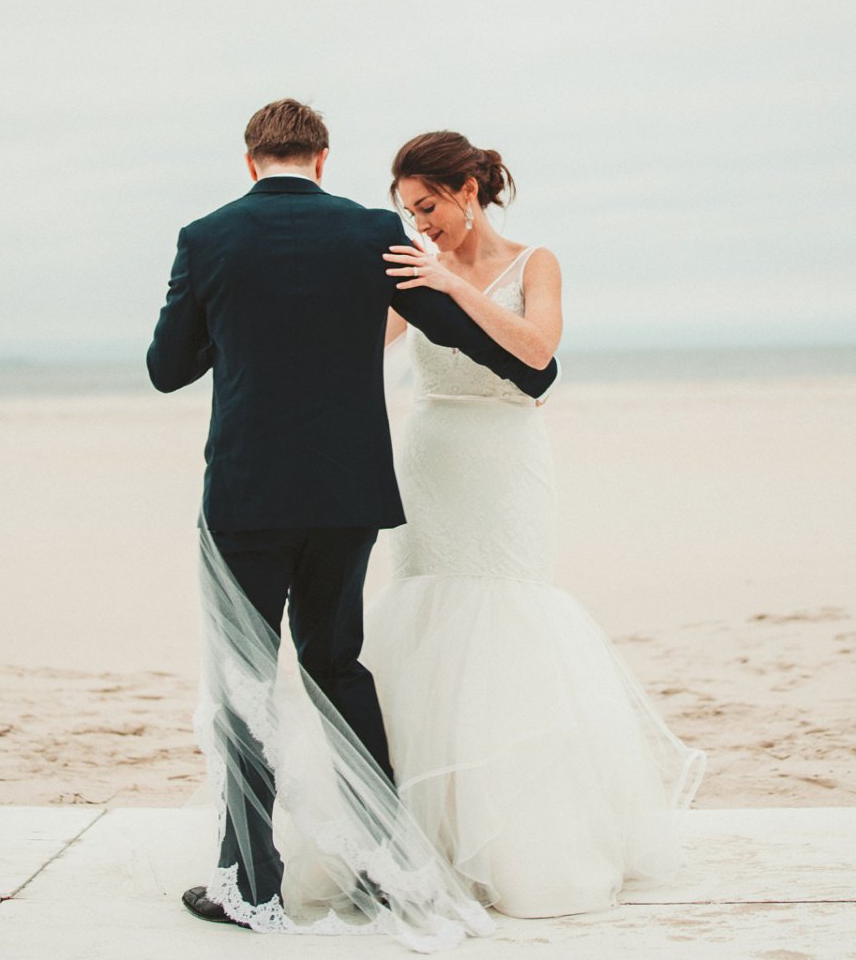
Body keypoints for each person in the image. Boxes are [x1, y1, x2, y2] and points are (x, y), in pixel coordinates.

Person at [146, 99, 558, 945]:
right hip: (347, 502)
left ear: (252, 159)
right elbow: (468, 334)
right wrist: (529, 369)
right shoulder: (373, 232)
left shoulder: (206, 236)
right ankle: (386, 873)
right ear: (323, 159)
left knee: (245, 687)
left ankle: (254, 890)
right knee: (338, 668)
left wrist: (243, 328)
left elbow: (166, 368)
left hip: (246, 499)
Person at [362, 129, 706, 918]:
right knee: (424, 618)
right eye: (408, 214)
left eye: (429, 207)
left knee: (510, 620)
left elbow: (537, 348)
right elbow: (360, 344)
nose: (423, 226)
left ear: (468, 192)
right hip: (430, 460)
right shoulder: (417, 266)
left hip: (508, 462)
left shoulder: (534, 262)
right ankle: (425, 840)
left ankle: (526, 844)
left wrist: (450, 288)